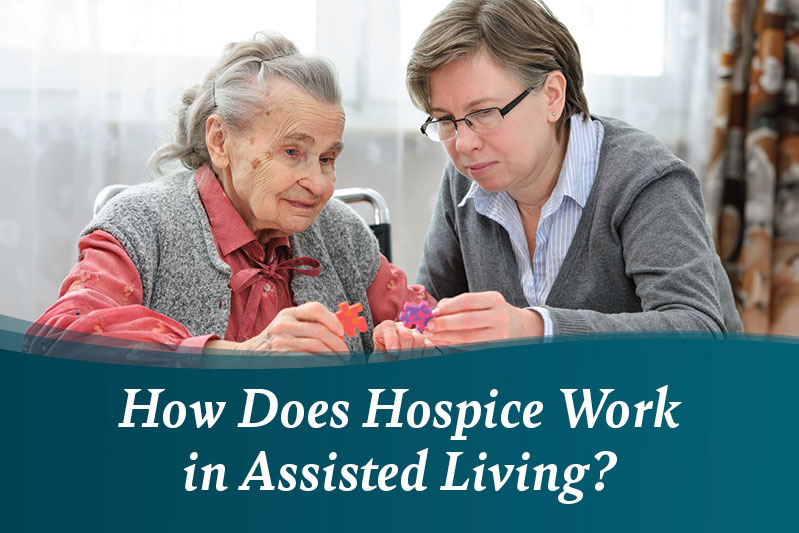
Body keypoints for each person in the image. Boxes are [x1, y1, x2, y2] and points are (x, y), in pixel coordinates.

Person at [28, 31, 431, 357]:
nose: (321, 184)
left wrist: (414, 341)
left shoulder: (341, 233)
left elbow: (420, 318)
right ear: (220, 141)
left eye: (327, 159)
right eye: (293, 152)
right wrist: (241, 358)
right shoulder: (142, 226)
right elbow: (60, 337)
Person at [405, 0, 743, 345]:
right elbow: (431, 304)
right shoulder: (466, 176)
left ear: (552, 96)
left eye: (485, 113)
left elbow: (698, 331)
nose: (463, 143)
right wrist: (407, 328)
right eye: (445, 120)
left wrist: (535, 329)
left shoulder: (646, 180)